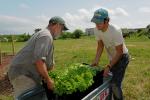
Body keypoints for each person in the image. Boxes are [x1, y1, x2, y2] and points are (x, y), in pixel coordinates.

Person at [8, 16, 68, 100]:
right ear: (56, 25)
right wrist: (48, 79)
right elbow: (39, 60)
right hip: (24, 74)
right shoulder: (46, 35)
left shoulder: (44, 34)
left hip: (23, 73)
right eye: (62, 29)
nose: (62, 32)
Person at [91, 8, 129, 100]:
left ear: (107, 20)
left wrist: (108, 66)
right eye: (95, 22)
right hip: (113, 57)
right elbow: (100, 46)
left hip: (122, 57)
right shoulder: (96, 29)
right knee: (108, 81)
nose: (97, 25)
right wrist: (96, 60)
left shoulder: (115, 30)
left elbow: (119, 52)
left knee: (115, 84)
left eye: (99, 22)